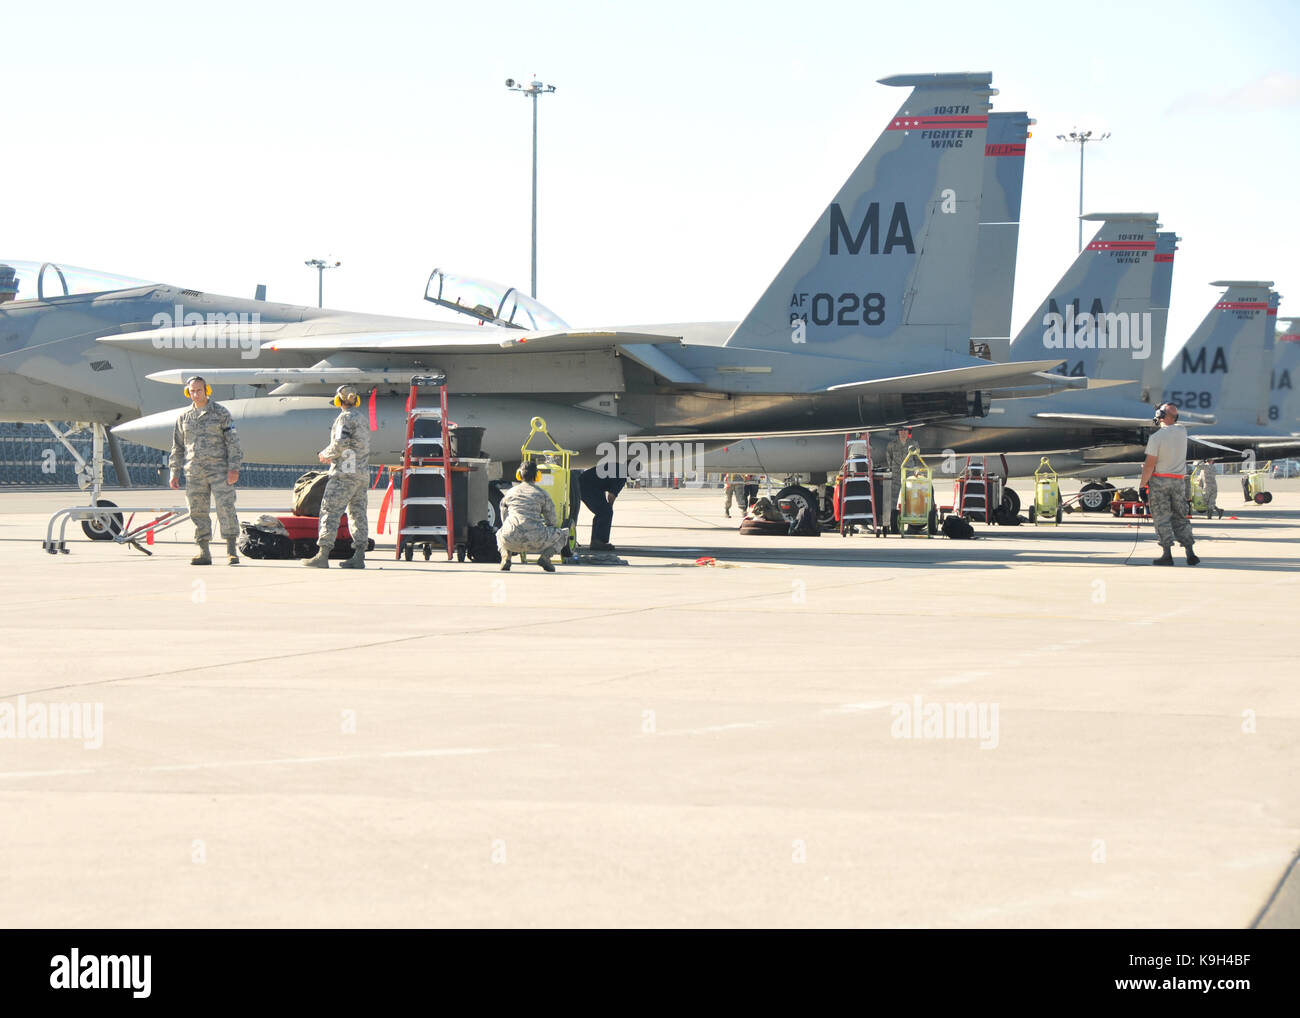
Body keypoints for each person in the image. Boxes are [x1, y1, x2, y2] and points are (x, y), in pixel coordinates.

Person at [169, 376, 242, 565]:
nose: (195, 394)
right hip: (194, 472)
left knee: (225, 508)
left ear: (206, 390)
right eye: (191, 391)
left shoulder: (221, 413)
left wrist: (234, 468)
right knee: (197, 511)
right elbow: (177, 447)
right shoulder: (184, 417)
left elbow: (232, 442)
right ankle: (203, 551)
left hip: (219, 470)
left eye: (198, 390)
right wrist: (174, 472)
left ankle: (231, 550)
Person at [304, 384, 370, 569]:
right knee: (358, 514)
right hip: (361, 473)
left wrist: (325, 454)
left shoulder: (344, 419)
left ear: (338, 400)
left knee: (330, 511)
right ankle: (359, 555)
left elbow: (341, 443)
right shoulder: (362, 419)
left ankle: (322, 555)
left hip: (344, 475)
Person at [1140, 402, 1198, 566]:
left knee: (1162, 518)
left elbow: (1150, 465)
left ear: (1160, 415)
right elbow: (1173, 422)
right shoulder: (1182, 431)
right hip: (1179, 482)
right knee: (1180, 516)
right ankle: (1190, 552)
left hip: (1160, 481)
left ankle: (1167, 554)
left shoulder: (1156, 438)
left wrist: (1142, 485)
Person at [498, 461, 567, 571]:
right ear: (537, 476)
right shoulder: (542, 494)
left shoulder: (509, 493)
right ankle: (545, 558)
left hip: (511, 539)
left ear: (519, 475)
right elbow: (552, 521)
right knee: (563, 533)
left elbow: (504, 517)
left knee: (499, 532)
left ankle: (506, 556)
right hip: (536, 540)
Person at [579, 465, 627, 552]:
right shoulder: (622, 476)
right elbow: (611, 496)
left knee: (602, 512)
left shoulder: (617, 467)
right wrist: (609, 509)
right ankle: (598, 542)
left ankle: (596, 541)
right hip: (588, 486)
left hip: (587, 483)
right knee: (605, 512)